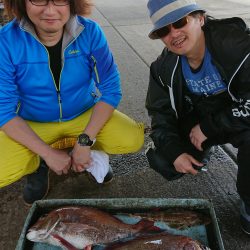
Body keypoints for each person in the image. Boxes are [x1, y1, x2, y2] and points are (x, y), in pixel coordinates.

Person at [0, 0, 144, 205]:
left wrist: (85, 141)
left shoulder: (90, 32)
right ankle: (38, 164)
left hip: (82, 114)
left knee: (132, 138)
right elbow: (3, 111)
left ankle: (88, 153)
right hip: (34, 121)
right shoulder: (5, 41)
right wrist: (47, 153)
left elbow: (111, 89)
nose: (50, 10)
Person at [145, 0, 250, 235]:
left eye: (180, 22)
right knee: (163, 159)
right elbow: (159, 115)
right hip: (202, 118)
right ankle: (203, 148)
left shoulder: (239, 46)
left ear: (200, 19)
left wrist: (209, 128)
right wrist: (174, 151)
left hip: (240, 118)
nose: (174, 34)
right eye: (164, 30)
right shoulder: (163, 68)